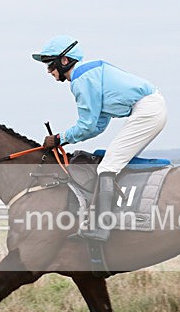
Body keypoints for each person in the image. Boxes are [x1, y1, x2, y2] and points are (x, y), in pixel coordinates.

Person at [32, 34, 167, 242]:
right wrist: (64, 140)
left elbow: (87, 125)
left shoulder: (81, 80)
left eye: (50, 65)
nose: (49, 71)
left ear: (64, 60)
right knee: (112, 161)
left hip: (147, 111)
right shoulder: (89, 74)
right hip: (149, 108)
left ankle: (101, 229)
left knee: (107, 167)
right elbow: (96, 126)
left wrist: (59, 138)